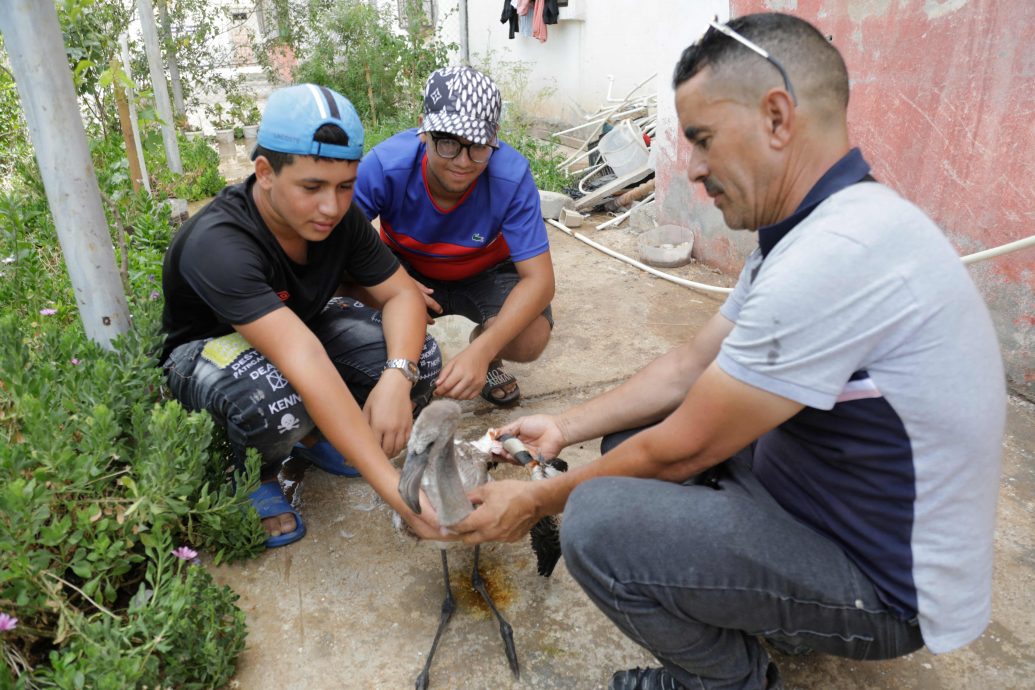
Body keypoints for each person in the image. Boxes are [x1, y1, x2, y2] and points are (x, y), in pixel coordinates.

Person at [454, 13, 1006, 690]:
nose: (692, 169)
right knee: (629, 440)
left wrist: (538, 501)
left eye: (703, 140)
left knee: (595, 522)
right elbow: (690, 366)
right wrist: (563, 428)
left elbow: (683, 449)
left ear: (776, 117)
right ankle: (763, 605)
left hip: (884, 589)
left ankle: (727, 682)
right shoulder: (817, 228)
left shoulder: (838, 256)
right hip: (811, 501)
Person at [160, 84, 448, 548]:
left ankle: (313, 438)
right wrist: (399, 494)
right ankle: (251, 473)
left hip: (296, 334)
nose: (331, 207)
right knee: (278, 398)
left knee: (420, 357)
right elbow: (305, 359)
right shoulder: (218, 242)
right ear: (265, 173)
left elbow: (402, 296)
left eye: (345, 186)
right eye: (311, 187)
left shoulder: (338, 220)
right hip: (204, 355)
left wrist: (397, 376)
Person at [354, 65, 555, 407]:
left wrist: (483, 350)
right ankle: (392, 363)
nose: (463, 161)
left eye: (478, 146)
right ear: (424, 131)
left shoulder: (511, 175)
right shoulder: (385, 166)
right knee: (344, 290)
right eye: (448, 143)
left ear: (495, 137)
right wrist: (392, 281)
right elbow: (336, 244)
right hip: (404, 266)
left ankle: (487, 357)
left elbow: (540, 280)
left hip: (485, 271)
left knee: (530, 338)